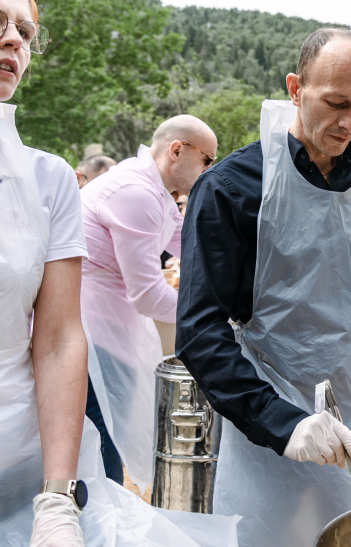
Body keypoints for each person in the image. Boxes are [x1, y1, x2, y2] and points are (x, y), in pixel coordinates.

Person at [0, 0, 229, 547]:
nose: (12, 39)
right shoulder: (135, 191)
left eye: (25, 31)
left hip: (16, 465)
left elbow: (57, 336)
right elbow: (142, 286)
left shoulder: (47, 177)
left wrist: (56, 499)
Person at [175, 28, 351, 547]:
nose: (350, 122)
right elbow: (200, 332)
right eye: (336, 103)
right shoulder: (232, 189)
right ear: (295, 88)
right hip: (273, 423)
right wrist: (285, 424)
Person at [80, 115, 217, 488]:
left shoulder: (149, 187)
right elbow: (147, 295)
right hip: (89, 335)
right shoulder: (135, 192)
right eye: (207, 160)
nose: (209, 171)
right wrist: (212, 316)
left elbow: (188, 247)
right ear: (178, 150)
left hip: (107, 329)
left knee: (108, 437)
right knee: (101, 441)